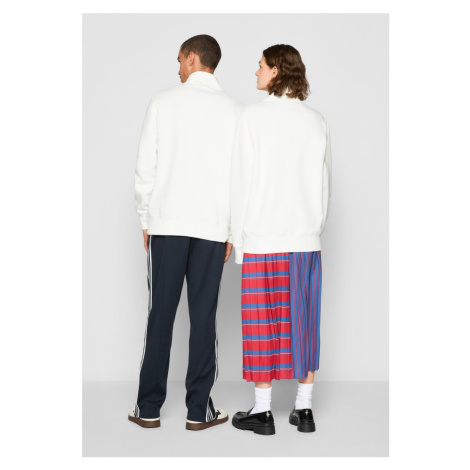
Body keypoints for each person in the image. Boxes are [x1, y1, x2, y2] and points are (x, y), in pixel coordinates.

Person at [129, 34, 242, 431]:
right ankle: (198, 411)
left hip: (168, 225)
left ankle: (148, 408)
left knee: (160, 314)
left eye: (180, 60)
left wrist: (146, 218)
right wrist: (232, 230)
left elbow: (146, 166)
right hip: (212, 228)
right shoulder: (235, 111)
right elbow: (239, 178)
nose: (177, 68)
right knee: (204, 317)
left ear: (193, 58)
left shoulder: (162, 102)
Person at [230, 44, 332, 435]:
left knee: (262, 326)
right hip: (305, 241)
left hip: (262, 238)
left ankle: (263, 412)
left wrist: (239, 243)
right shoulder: (316, 120)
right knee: (304, 323)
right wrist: (313, 229)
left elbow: (241, 183)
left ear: (275, 71)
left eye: (260, 66)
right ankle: (304, 410)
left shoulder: (252, 116)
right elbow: (324, 186)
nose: (255, 72)